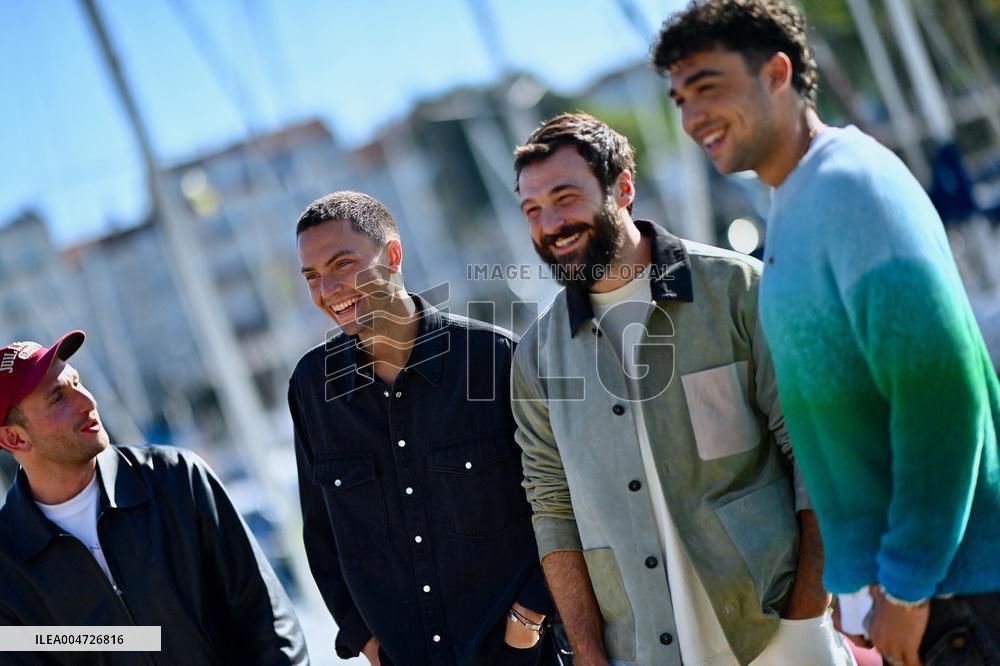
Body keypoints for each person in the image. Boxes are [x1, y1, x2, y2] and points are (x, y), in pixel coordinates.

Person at [653, 1, 1000, 664]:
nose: (693, 117)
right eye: (678, 99)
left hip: (958, 594)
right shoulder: (793, 202)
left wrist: (905, 586)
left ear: (777, 72)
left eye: (708, 88)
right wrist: (853, 576)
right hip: (925, 593)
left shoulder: (848, 187)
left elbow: (941, 396)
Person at [510, 112, 854, 666]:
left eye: (566, 197)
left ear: (623, 187)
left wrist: (805, 620)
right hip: (639, 654)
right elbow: (552, 510)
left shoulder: (738, 291)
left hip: (776, 638)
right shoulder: (535, 358)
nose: (550, 223)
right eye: (533, 209)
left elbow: (820, 460)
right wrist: (590, 652)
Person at [289, 191, 556, 665]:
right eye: (312, 276)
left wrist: (530, 618)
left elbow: (561, 497)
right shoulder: (312, 389)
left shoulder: (492, 359)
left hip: (520, 657)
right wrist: (366, 641)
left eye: (342, 264)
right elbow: (322, 534)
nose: (328, 290)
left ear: (392, 256)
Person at [0, 330, 307, 665]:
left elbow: (268, 619)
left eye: (78, 382)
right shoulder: (6, 562)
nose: (87, 402)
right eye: (58, 397)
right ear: (15, 438)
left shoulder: (177, 478)